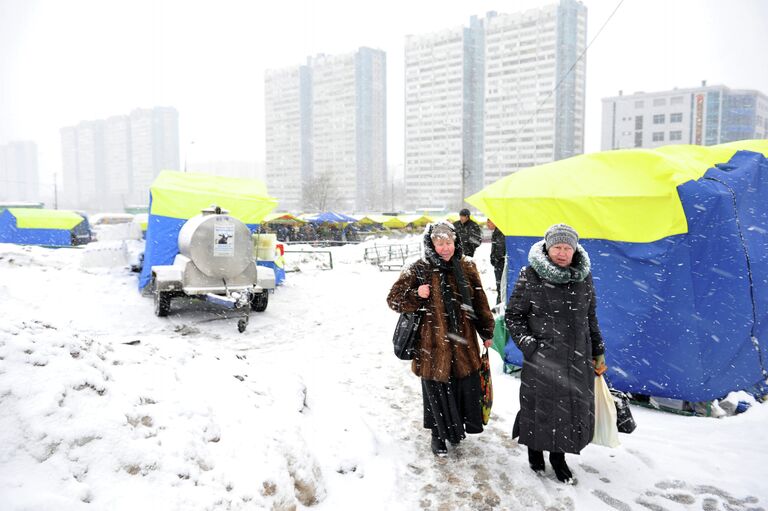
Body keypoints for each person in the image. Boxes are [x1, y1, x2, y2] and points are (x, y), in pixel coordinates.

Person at [505, 223, 606, 484]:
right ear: (547, 248)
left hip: (577, 359)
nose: (561, 253)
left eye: (566, 248)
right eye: (557, 247)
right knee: (539, 408)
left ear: (574, 250)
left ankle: (559, 458)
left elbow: (590, 317)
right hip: (542, 359)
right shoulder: (531, 275)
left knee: (569, 411)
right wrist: (529, 345)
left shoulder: (584, 277)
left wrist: (598, 351)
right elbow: (514, 316)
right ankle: (535, 450)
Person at [387, 221, 495, 456]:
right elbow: (394, 299)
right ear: (431, 243)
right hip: (432, 345)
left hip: (463, 343)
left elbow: (479, 301)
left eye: (448, 242)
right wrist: (417, 294)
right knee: (437, 392)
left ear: (455, 242)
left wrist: (486, 332)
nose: (445, 248)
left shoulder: (467, 267)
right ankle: (438, 435)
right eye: (439, 243)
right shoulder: (419, 268)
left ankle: (456, 432)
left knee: (461, 389)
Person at [487, 218, 506, 304]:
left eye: (489, 221)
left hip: (500, 264)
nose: (487, 224)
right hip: (499, 263)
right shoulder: (497, 232)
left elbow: (500, 249)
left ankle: (500, 304)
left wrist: (494, 259)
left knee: (501, 286)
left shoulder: (500, 232)